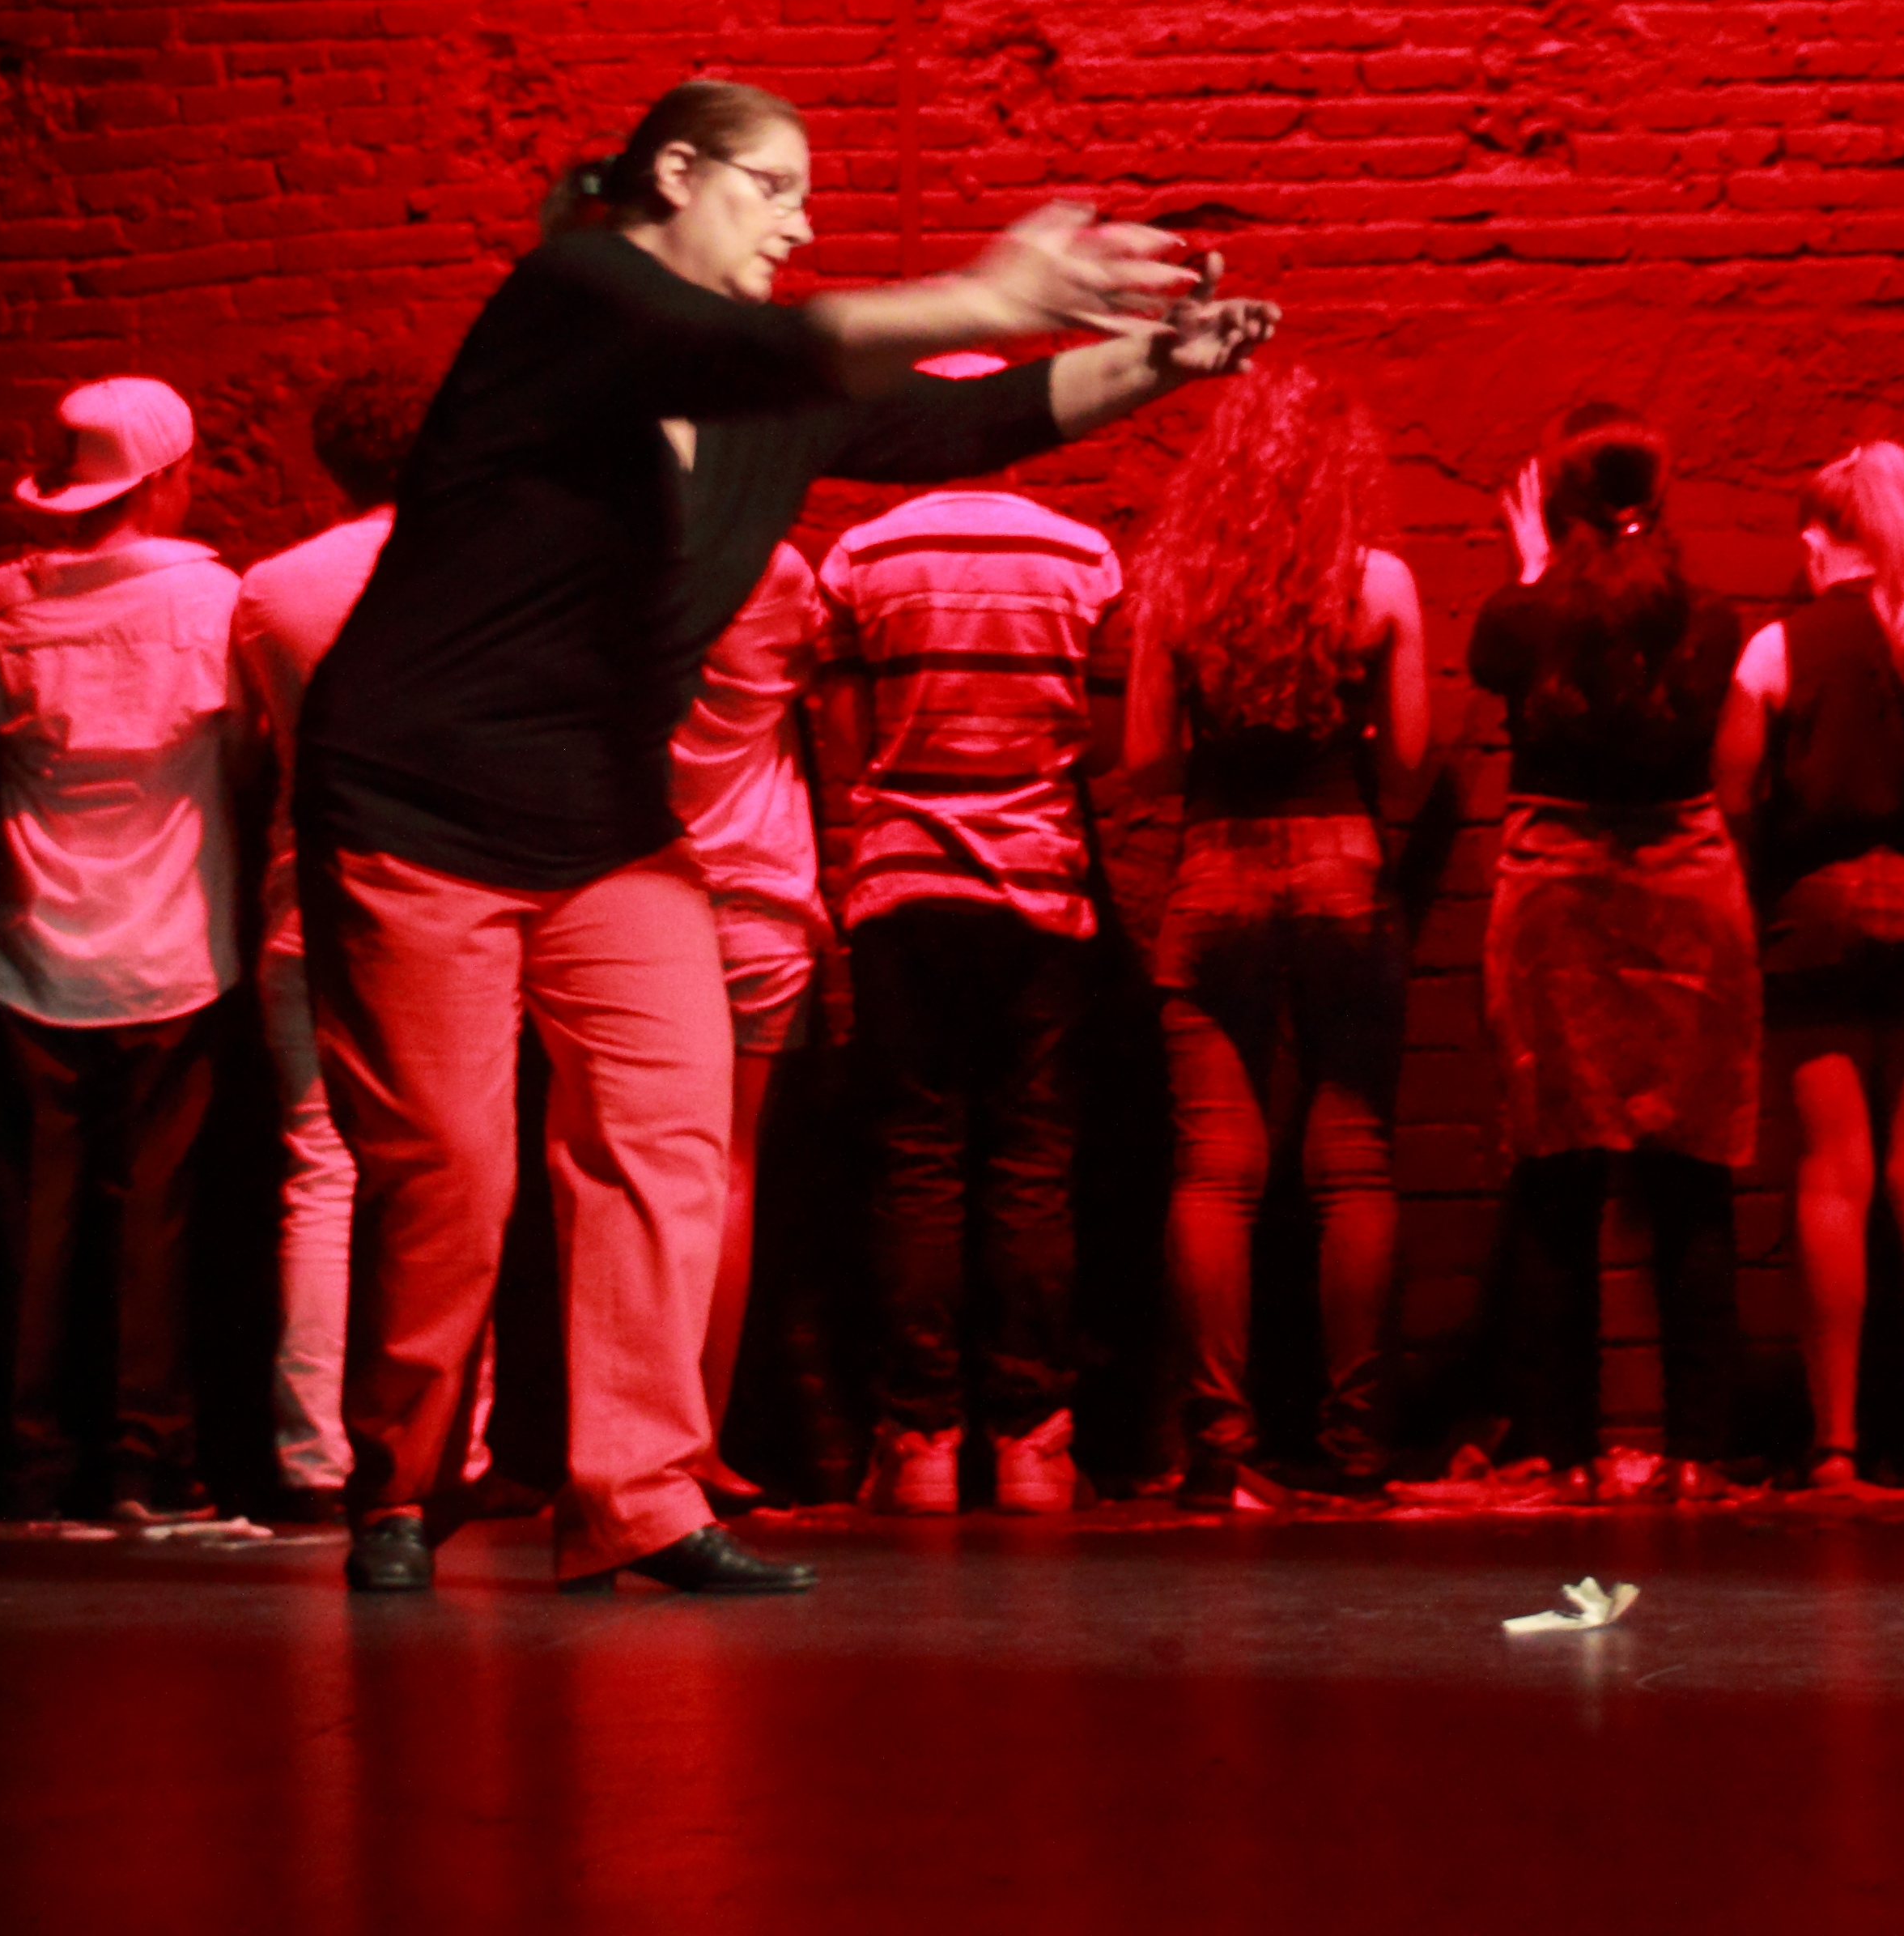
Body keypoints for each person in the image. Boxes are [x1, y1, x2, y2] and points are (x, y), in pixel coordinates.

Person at [295, 77, 1272, 1596]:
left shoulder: (763, 390)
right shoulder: (578, 291)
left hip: (602, 815)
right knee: (452, 1173)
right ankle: (400, 1492)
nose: (800, 222)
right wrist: (985, 293)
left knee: (667, 1145)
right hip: (416, 797)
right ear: (675, 173)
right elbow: (758, 341)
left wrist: (1156, 360)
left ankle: (637, 1496)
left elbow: (966, 420)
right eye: (774, 187)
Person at [1124, 364, 1430, 1508]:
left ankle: (1220, 1446)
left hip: (1215, 866)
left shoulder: (1179, 583)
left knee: (1214, 1168)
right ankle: (1357, 1447)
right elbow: (1409, 764)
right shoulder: (1381, 580)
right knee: (1354, 1162)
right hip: (1345, 861)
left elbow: (1146, 765)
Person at [815, 436, 1126, 1515]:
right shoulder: (1085, 558)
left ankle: (922, 1442)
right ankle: (1034, 1442)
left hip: (902, 890)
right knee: (1033, 1161)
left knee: (918, 1159)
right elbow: (1107, 744)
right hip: (1040, 890)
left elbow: (847, 745)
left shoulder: (860, 557)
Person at [0, 376, 244, 1525]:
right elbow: (249, 742)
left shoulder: (2, 601)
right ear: (168, 478)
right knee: (153, 1219)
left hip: (32, 940)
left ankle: (29, 1469)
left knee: (34, 1219)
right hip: (172, 940)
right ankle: (147, 1466)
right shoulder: (215, 601)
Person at [1718, 440, 1904, 1490]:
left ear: (1823, 538)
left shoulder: (1776, 649)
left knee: (1831, 1181)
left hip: (1813, 909)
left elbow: (1733, 794)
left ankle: (1836, 1443)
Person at [1470, 403, 1756, 1496]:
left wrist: (1533, 571)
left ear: (1554, 506)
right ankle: (1701, 1452)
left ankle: (1565, 1451)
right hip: (1688, 895)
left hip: (1555, 899)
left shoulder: (1520, 617)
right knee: (1693, 1178)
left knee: (1557, 1175)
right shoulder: (1716, 620)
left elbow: (1503, 653)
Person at [230, 361, 435, 1519]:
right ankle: (444, 1448)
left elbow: (255, 739)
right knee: (453, 1179)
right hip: (443, 898)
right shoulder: (478, 569)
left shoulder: (273, 588)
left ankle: (314, 1456)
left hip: (308, 893)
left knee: (322, 1172)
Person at [665, 537, 831, 1502]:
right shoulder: (777, 566)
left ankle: (617, 1438)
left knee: (616, 1174)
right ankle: (697, 1441)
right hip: (759, 893)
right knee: (729, 1168)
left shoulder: (596, 556)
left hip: (628, 887)